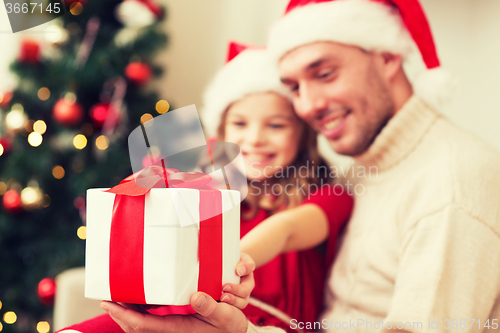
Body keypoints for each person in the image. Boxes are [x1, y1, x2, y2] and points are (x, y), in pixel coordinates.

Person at [99, 0, 500, 332]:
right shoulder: (368, 172)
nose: (307, 107)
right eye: (294, 88)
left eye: (324, 73)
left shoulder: (450, 185)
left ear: (389, 56)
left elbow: (290, 230)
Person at [58, 41, 353, 333]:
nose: (255, 139)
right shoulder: (205, 189)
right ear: (221, 133)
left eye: (276, 125)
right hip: (190, 310)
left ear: (304, 135)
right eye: (240, 124)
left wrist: (230, 262)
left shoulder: (329, 194)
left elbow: (286, 230)